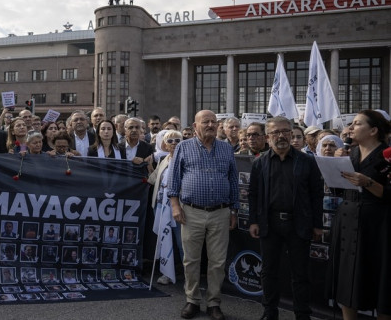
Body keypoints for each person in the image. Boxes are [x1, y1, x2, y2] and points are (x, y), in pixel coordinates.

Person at [248, 117, 324, 320]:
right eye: (275, 132)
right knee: (269, 271)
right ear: (267, 137)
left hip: (299, 223)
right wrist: (253, 221)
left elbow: (317, 195)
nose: (280, 136)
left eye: (285, 131)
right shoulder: (259, 163)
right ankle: (269, 311)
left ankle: (302, 314)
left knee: (300, 273)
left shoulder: (307, 161)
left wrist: (318, 224)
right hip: (269, 223)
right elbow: (253, 194)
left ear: (291, 134)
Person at [167, 109, 239, 320]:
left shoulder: (226, 149)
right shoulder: (183, 147)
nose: (210, 125)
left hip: (220, 212)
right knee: (191, 260)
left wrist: (234, 210)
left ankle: (214, 303)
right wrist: (175, 206)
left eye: (213, 122)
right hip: (191, 212)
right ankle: (192, 300)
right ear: (194, 125)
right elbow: (174, 180)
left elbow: (233, 181)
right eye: (205, 122)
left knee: (217, 261)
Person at [334, 110, 391, 320]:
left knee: (381, 281)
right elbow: (338, 189)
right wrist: (335, 166)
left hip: (378, 227)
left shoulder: (388, 155)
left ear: (373, 130)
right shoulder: (351, 153)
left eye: (357, 123)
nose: (350, 128)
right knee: (348, 281)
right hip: (348, 224)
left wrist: (368, 182)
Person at [148, 129, 184, 285]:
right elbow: (152, 179)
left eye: (177, 140)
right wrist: (146, 164)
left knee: (182, 243)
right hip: (161, 206)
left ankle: (190, 277)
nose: (174, 144)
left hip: (180, 208)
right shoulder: (164, 160)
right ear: (164, 145)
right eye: (170, 141)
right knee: (164, 240)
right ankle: (167, 273)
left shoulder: (187, 159)